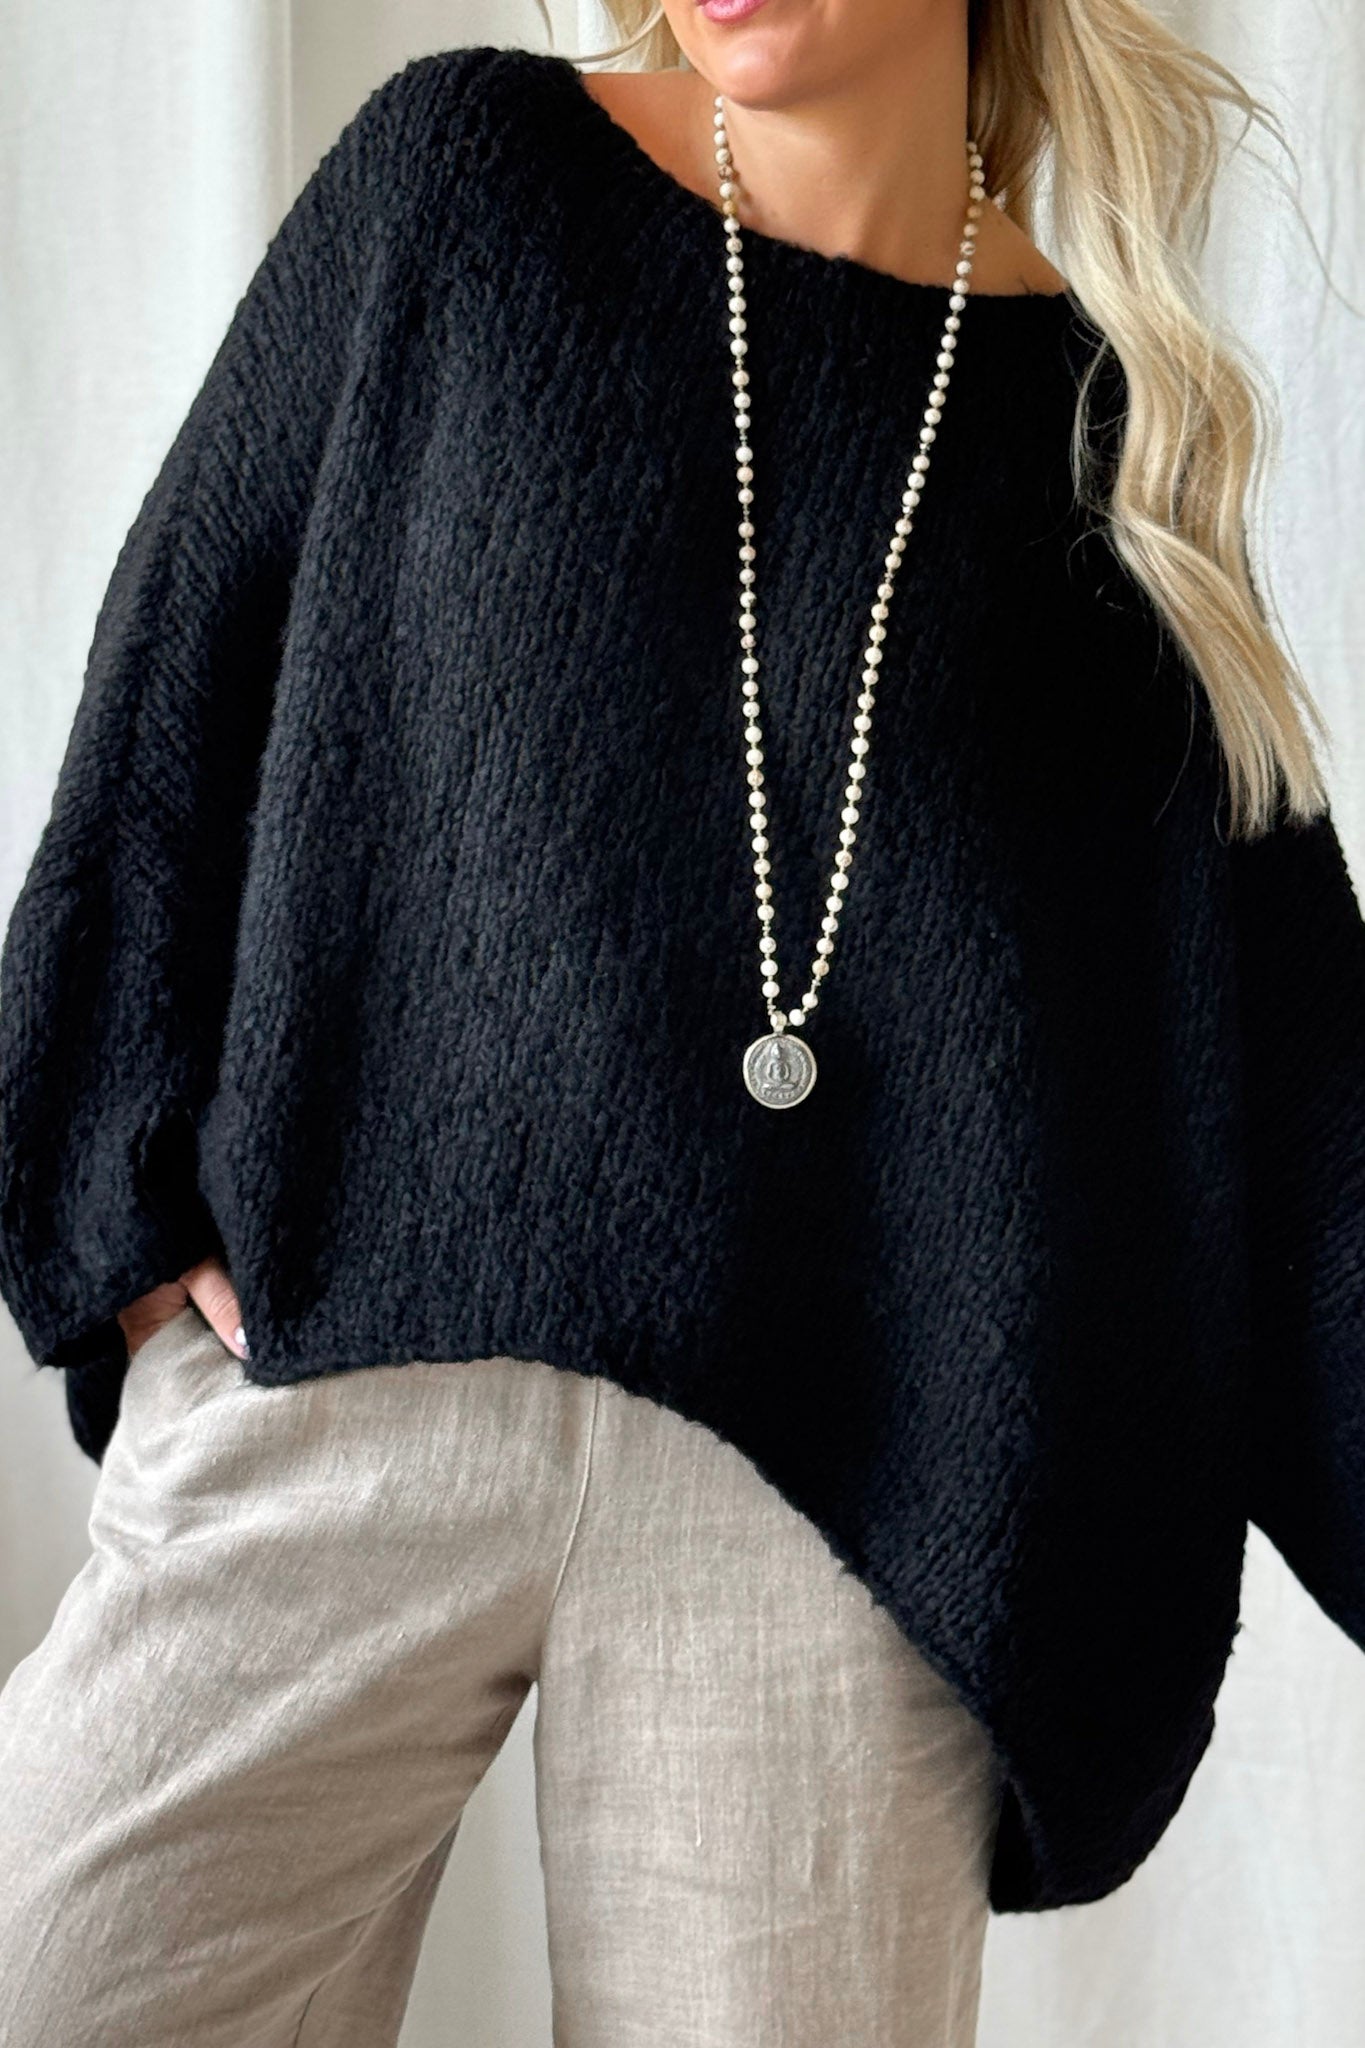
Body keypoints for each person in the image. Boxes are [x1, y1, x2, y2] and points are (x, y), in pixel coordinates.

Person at [1, 2, 1363, 2043]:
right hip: (350, 1358)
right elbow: (178, 669)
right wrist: (109, 1189)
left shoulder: (1110, 439)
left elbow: (1300, 1116)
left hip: (845, 1497)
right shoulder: (467, 182)